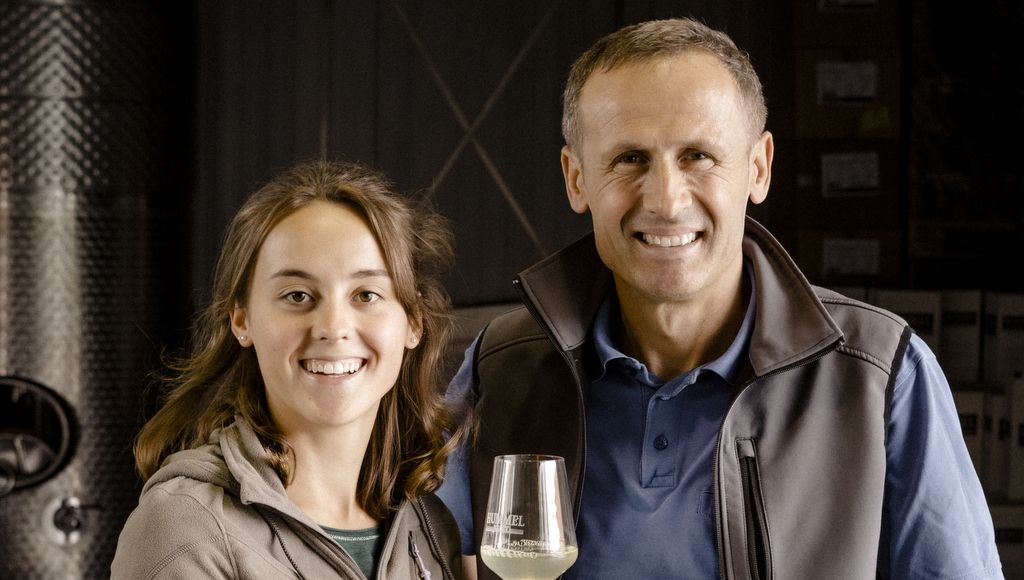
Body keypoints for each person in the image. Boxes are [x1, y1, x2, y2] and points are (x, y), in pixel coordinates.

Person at [437, 18, 1003, 580]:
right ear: (576, 178)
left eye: (698, 156)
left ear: (758, 169)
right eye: (630, 158)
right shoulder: (502, 368)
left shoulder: (881, 375)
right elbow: (413, 554)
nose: (665, 200)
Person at [111, 160, 464, 579]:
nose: (333, 327)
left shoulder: (430, 527)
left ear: (414, 322)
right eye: (297, 295)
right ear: (241, 320)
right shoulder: (185, 528)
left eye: (366, 295)